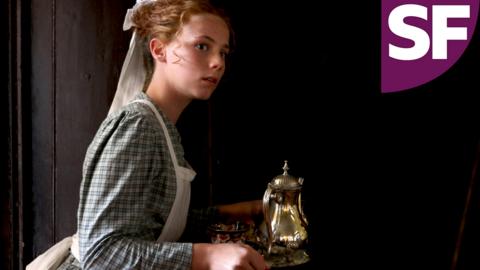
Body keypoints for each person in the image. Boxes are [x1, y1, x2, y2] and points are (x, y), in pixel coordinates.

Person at [56, 0, 268, 269]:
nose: (218, 63)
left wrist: (239, 212)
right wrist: (207, 256)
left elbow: (156, 221)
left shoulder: (161, 127)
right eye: (202, 46)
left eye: (223, 52)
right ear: (159, 49)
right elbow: (100, 253)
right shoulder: (137, 126)